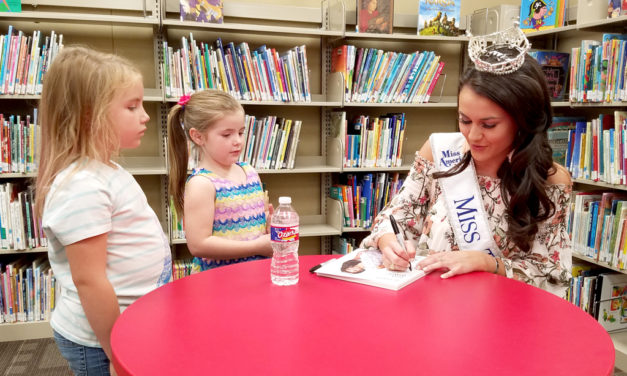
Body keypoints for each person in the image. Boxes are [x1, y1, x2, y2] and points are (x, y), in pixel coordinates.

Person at [360, 27, 572, 298]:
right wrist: (388, 241)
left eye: (489, 124)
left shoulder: (550, 180)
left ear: (524, 121)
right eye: (465, 120)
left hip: (504, 315)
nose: (472, 136)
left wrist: (489, 263)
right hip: (429, 304)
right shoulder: (440, 153)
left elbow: (552, 273)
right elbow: (397, 216)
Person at [35, 46, 172, 375]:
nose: (145, 116)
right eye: (131, 106)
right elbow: (90, 281)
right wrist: (116, 353)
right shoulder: (81, 186)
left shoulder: (103, 169)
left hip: (126, 324)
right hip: (100, 341)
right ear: (89, 114)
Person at [167, 89, 272, 273]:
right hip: (217, 282)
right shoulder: (202, 184)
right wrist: (257, 246)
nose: (237, 141)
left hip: (254, 274)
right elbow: (199, 245)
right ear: (198, 136)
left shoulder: (249, 171)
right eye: (226, 135)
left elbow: (255, 226)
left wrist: (269, 227)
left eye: (240, 132)